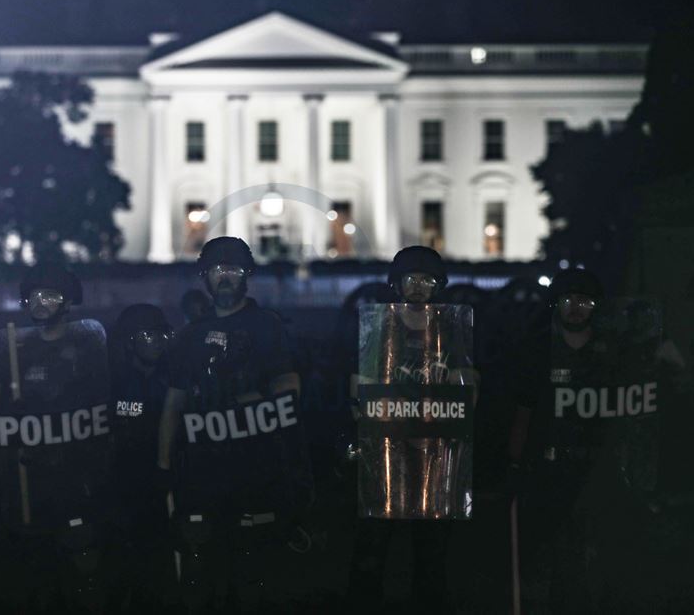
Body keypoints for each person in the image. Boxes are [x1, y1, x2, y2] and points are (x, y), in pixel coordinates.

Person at [157, 236, 312, 612]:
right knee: (206, 573)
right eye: (217, 271)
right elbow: (174, 403)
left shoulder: (266, 325)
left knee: (255, 575)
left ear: (246, 276)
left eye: (233, 270)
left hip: (258, 467)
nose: (224, 277)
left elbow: (288, 382)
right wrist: (163, 466)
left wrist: (259, 399)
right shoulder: (191, 336)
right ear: (205, 278)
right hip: (205, 473)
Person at [346, 246, 476, 613]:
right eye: (411, 279)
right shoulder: (380, 327)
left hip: (433, 452)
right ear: (397, 284)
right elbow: (359, 383)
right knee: (373, 541)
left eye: (426, 280)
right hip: (386, 450)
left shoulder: (450, 328)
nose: (418, 287)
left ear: (437, 285)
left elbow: (466, 384)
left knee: (432, 546)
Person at [0, 263, 112, 613]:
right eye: (35, 297)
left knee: (83, 559)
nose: (41, 304)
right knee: (37, 564)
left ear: (67, 302)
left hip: (77, 470)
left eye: (50, 296)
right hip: (32, 473)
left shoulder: (87, 345)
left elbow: (105, 401)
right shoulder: (16, 348)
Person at [507, 267, 615, 613]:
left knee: (589, 549)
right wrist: (515, 463)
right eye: (569, 300)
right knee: (542, 547)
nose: (576, 308)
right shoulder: (538, 348)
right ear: (556, 304)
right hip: (546, 466)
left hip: (593, 466)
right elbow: (523, 411)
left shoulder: (610, 351)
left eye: (584, 301)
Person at [105, 303, 175, 610]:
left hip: (166, 480)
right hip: (123, 484)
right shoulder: (113, 382)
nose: (157, 341)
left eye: (162, 334)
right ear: (130, 340)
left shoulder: (173, 378)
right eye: (148, 335)